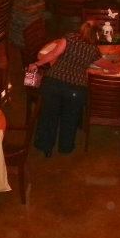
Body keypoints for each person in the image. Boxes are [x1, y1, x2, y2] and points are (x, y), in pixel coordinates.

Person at [31, 22, 101, 156]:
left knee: (48, 115)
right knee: (70, 118)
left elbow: (53, 54)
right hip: (76, 88)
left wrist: (37, 64)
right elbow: (103, 64)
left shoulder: (68, 38)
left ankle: (45, 146)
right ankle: (65, 147)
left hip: (53, 83)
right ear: (96, 34)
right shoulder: (94, 50)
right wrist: (118, 63)